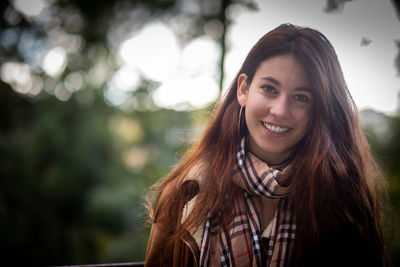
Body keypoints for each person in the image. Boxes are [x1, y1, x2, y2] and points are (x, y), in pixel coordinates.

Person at [144, 24, 387, 267]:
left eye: (301, 97)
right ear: (244, 90)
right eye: (269, 89)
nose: (280, 111)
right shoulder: (188, 191)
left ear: (319, 110)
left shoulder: (342, 195)